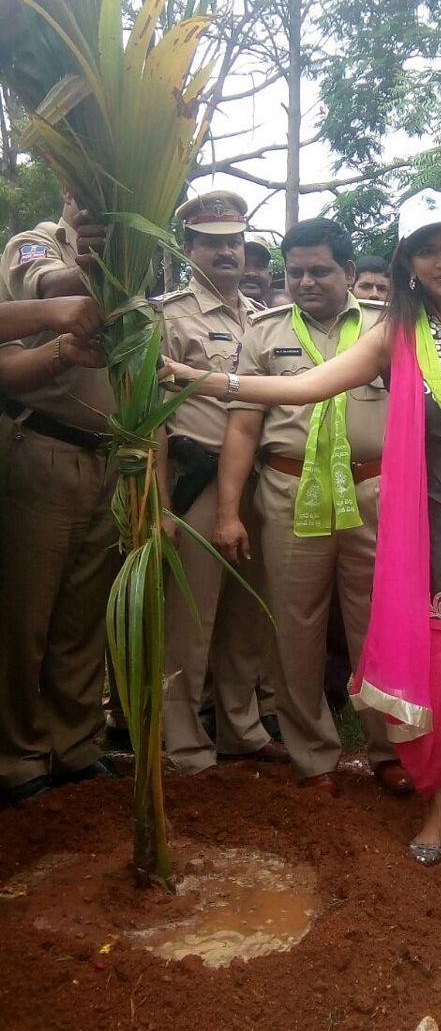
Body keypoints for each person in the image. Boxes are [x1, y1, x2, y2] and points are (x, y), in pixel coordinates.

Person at [163, 189, 441, 876]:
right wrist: (200, 379)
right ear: (407, 261)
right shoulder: (393, 334)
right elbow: (305, 388)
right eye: (428, 249)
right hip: (425, 538)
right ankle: (435, 801)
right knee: (432, 675)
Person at [216, 218, 411, 796]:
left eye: (319, 270)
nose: (305, 281)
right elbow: (244, 429)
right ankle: (314, 755)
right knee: (294, 628)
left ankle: (389, 750)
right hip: (288, 491)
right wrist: (229, 511)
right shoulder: (263, 335)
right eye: (295, 271)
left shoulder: (389, 327)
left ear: (350, 273)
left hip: (374, 494)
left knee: (377, 625)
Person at [159, 190, 285, 774]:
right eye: (212, 243)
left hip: (260, 479)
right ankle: (182, 740)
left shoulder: (263, 321)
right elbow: (151, 420)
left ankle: (241, 727)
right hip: (199, 478)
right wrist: (159, 503)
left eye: (235, 242)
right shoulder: (167, 316)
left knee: (248, 612)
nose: (227, 252)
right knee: (191, 615)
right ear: (189, 250)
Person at [0, 201, 119, 804]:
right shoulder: (37, 243)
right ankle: (18, 757)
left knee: (82, 616)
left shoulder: (140, 264)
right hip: (42, 446)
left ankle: (74, 745)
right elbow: (58, 284)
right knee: (26, 616)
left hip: (108, 460)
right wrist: (93, 257)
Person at [239, 236, 274, 307]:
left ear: (270, 277)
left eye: (260, 266)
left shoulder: (282, 315)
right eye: (243, 264)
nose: (251, 273)